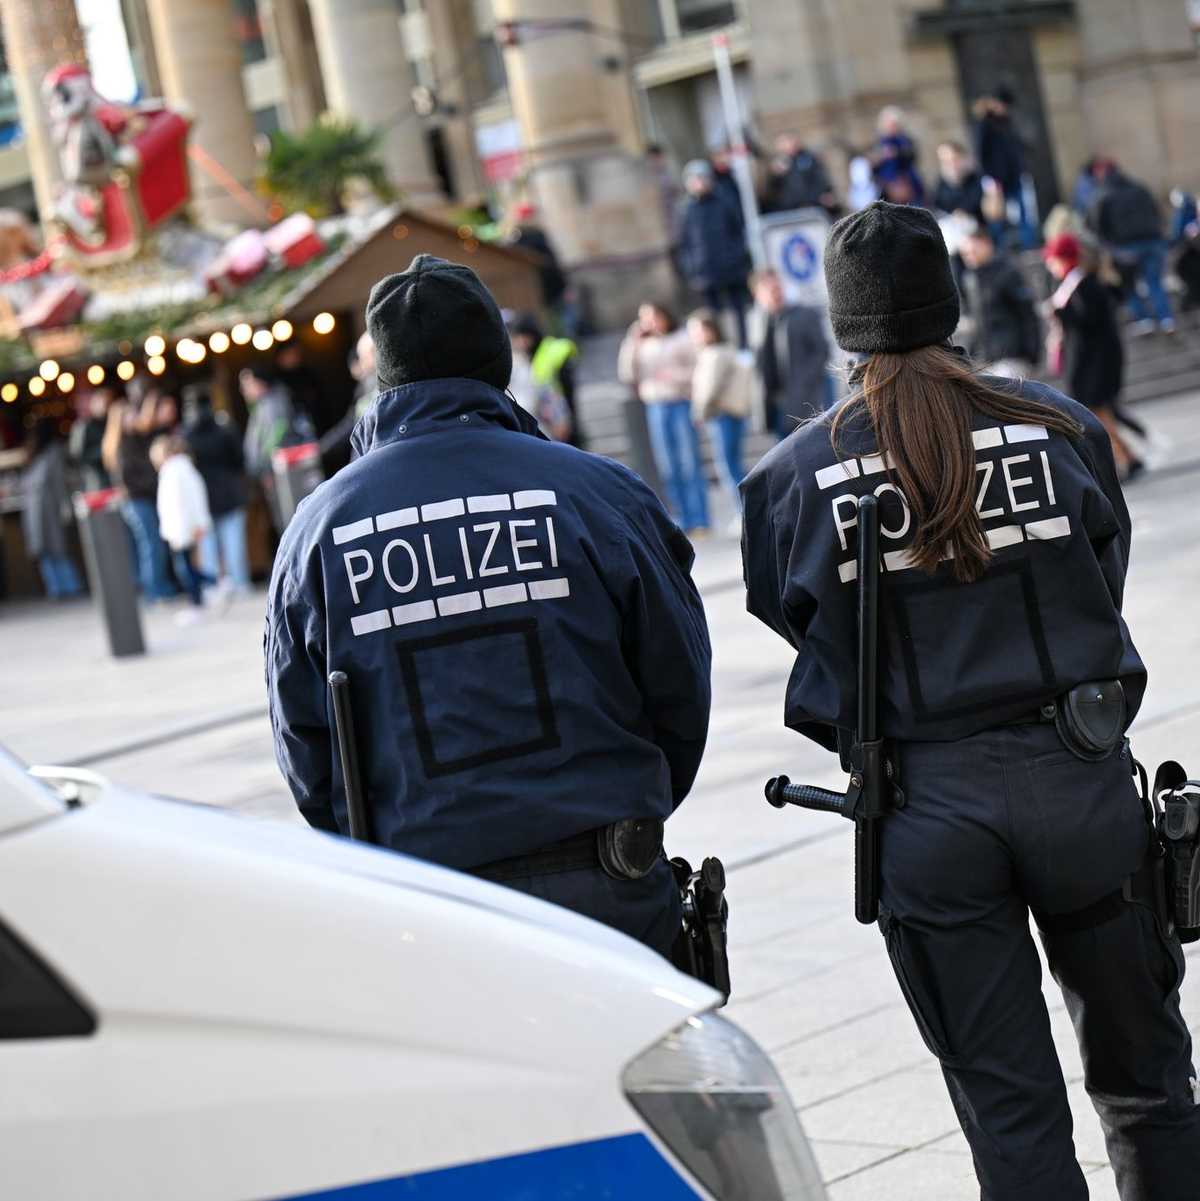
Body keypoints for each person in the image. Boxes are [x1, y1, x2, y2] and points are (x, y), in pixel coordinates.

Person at [741, 200, 1200, 1199]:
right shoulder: (1061, 423)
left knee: (1010, 1111)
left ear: (843, 324)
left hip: (926, 805)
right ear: (949, 305)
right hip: (1080, 778)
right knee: (1152, 1086)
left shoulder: (793, 477)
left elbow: (796, 618)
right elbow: (1101, 571)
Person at [266, 254, 711, 959]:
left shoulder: (319, 532)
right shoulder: (599, 494)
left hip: (434, 908)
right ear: (496, 362)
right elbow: (678, 680)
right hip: (608, 879)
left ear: (384, 375)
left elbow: (305, 745)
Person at [1043, 231, 1143, 479]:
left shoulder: (1084, 284)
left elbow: (1090, 318)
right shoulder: (1072, 284)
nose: (1049, 264)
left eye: (1053, 259)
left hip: (1095, 362)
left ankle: (1125, 458)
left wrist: (1059, 314)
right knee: (1098, 412)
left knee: (1096, 413)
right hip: (1089, 360)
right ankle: (1127, 457)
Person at [617, 302, 708, 535]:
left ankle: (700, 518)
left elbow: (699, 368)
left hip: (679, 402)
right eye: (645, 318)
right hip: (656, 406)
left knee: (689, 462)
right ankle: (681, 518)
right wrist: (632, 341)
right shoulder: (643, 344)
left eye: (654, 316)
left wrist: (674, 376)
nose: (651, 322)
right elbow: (627, 373)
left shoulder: (680, 338)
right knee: (668, 466)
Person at [1088, 159, 1176, 336]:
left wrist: (1108, 245)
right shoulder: (1138, 187)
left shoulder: (1103, 194)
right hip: (1152, 241)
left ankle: (1144, 321)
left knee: (1128, 285)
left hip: (1125, 247)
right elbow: (1156, 210)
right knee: (1154, 282)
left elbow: (1097, 225)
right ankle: (1167, 320)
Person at [101, 398, 174, 602]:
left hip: (144, 499)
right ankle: (154, 590)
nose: (136, 418)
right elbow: (128, 478)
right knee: (150, 545)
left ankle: (159, 586)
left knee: (153, 544)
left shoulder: (138, 438)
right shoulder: (121, 445)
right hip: (136, 500)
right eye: (131, 415)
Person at [676, 159, 752, 349]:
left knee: (738, 310)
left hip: (730, 265)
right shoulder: (687, 209)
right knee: (713, 313)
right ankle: (720, 345)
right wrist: (691, 267)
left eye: (702, 178)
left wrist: (737, 255)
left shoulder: (724, 201)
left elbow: (738, 230)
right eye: (695, 179)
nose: (699, 183)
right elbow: (683, 242)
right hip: (705, 269)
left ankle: (744, 345)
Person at [182, 385, 250, 595]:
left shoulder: (185, 435)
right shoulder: (225, 429)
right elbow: (239, 460)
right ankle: (239, 585)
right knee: (234, 543)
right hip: (229, 490)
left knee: (207, 546)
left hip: (202, 496)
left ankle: (211, 588)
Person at [688, 309, 752, 532]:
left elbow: (710, 389)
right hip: (724, 416)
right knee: (731, 465)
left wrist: (699, 412)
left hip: (724, 415)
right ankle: (744, 511)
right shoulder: (718, 351)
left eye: (697, 330)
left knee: (729, 466)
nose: (694, 336)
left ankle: (745, 512)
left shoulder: (716, 354)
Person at [150, 434, 221, 626]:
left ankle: (209, 591)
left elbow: (190, 500)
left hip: (183, 528)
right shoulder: (177, 469)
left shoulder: (177, 470)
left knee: (186, 568)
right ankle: (208, 591)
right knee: (187, 567)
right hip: (181, 527)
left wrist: (197, 524)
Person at [751, 269, 831, 437]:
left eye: (777, 285)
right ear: (757, 294)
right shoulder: (758, 323)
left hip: (805, 402)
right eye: (768, 287)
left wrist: (805, 379)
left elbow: (821, 350)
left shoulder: (804, 314)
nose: (775, 290)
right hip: (776, 408)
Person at [958, 228, 1042, 376]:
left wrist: (1032, 352)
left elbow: (1026, 313)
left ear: (986, 245)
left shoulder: (1007, 272)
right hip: (984, 358)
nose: (969, 257)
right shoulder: (969, 279)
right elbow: (976, 321)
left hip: (1011, 356)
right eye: (965, 254)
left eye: (973, 251)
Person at [22, 419, 84, 600]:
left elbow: (58, 481)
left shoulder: (47, 452)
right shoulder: (38, 453)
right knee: (47, 550)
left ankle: (67, 586)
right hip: (39, 509)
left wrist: (63, 503)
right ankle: (59, 588)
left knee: (56, 549)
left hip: (46, 507)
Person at [240, 364, 300, 533]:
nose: (243, 389)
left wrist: (266, 469)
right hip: (272, 474)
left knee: (287, 519)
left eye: (247, 383)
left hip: (278, 475)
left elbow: (276, 438)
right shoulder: (261, 405)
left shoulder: (273, 404)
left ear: (261, 382)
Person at [973, 92, 1033, 249]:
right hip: (997, 179)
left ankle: (1028, 243)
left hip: (1014, 175)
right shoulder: (984, 124)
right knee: (997, 215)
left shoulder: (1005, 122)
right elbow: (981, 154)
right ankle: (998, 247)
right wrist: (990, 177)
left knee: (1023, 211)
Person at [509, 313, 579, 439]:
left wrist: (566, 419)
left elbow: (555, 391)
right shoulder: (540, 351)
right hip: (557, 412)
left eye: (518, 336)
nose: (517, 341)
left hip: (559, 411)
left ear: (528, 335)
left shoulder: (543, 354)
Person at [318, 332, 377, 476]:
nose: (361, 363)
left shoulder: (382, 386)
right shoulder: (365, 386)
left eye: (363, 357)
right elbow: (352, 421)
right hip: (365, 462)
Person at [764, 131, 838, 216]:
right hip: (789, 209)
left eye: (790, 141)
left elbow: (820, 181)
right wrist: (774, 174)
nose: (789, 145)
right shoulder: (778, 164)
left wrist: (822, 196)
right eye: (784, 143)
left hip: (813, 205)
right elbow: (772, 190)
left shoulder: (809, 160)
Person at [872, 106, 923, 206]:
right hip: (888, 185)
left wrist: (897, 153)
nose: (892, 128)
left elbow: (912, 156)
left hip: (907, 181)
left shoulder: (905, 140)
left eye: (895, 125)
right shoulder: (880, 143)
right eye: (890, 125)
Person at [67, 387, 112, 493]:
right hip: (93, 481)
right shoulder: (82, 427)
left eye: (107, 403)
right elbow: (78, 457)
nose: (104, 406)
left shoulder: (112, 423)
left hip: (113, 477)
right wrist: (103, 450)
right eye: (101, 402)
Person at [932, 140, 984, 224]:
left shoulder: (977, 177)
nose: (952, 165)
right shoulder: (941, 184)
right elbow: (938, 208)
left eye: (954, 160)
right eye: (946, 162)